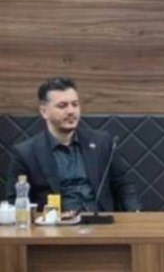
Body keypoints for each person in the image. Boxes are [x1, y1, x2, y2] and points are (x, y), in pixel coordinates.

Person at [5, 77, 141, 212]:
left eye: (75, 104)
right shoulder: (25, 153)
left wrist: (135, 213)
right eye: (62, 106)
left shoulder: (102, 142)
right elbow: (15, 201)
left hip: (100, 220)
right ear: (44, 112)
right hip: (57, 223)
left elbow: (124, 184)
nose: (71, 111)